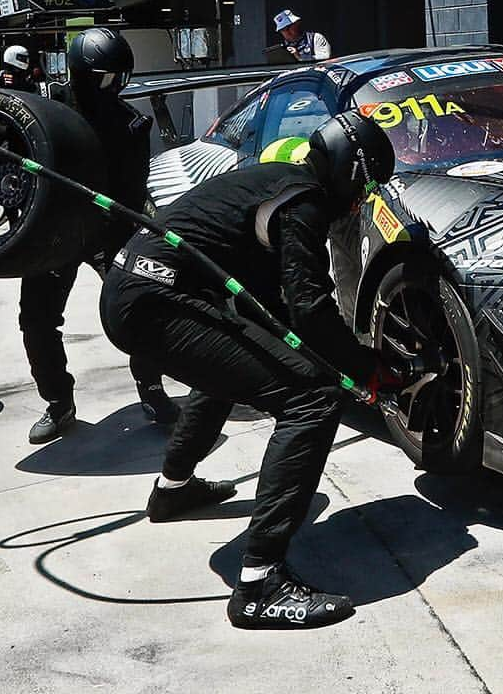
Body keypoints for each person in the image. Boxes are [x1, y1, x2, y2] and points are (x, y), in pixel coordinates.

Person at [99, 111, 408, 630]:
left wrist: (342, 358)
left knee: (240, 362)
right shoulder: (304, 201)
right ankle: (261, 585)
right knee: (312, 398)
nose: (361, 203)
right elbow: (309, 308)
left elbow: (275, 310)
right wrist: (363, 369)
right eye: (365, 188)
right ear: (351, 170)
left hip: (133, 291)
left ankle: (174, 490)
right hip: (155, 300)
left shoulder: (277, 184)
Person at [21, 28, 178, 444]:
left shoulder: (130, 124)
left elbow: (131, 188)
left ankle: (151, 388)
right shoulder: (47, 110)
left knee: (139, 306)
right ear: (85, 75)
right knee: (37, 319)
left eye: (121, 78)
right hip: (54, 231)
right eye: (109, 77)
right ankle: (58, 403)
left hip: (109, 230)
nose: (117, 87)